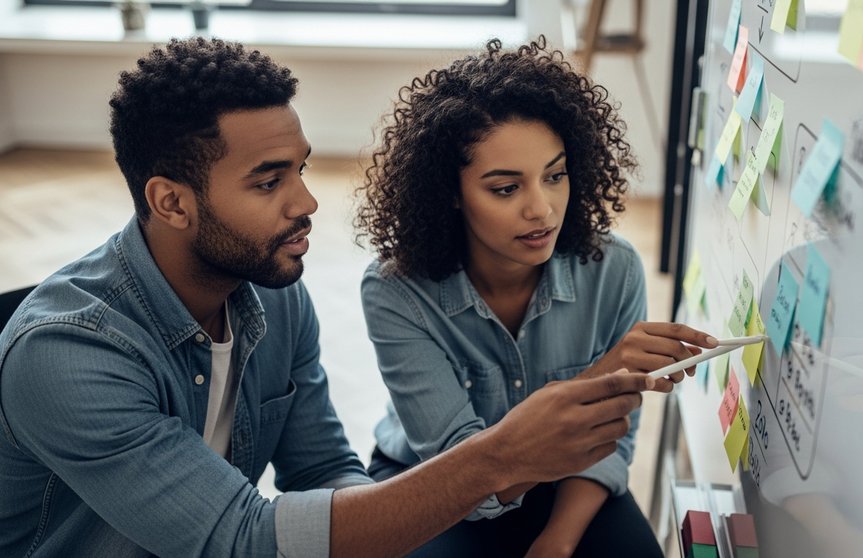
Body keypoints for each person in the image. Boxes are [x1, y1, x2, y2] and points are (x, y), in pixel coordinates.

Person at [0, 37, 658, 558]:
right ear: (171, 201)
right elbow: (245, 541)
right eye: (267, 183)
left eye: (301, 170)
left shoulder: (274, 298)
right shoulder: (66, 356)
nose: (307, 203)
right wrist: (499, 456)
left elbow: (322, 469)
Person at [354, 37, 719, 557]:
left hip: (570, 482)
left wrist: (559, 539)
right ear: (451, 193)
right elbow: (467, 478)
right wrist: (600, 378)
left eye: (555, 175)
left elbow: (610, 446)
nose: (543, 210)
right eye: (506, 188)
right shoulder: (396, 291)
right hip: (436, 480)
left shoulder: (613, 269)